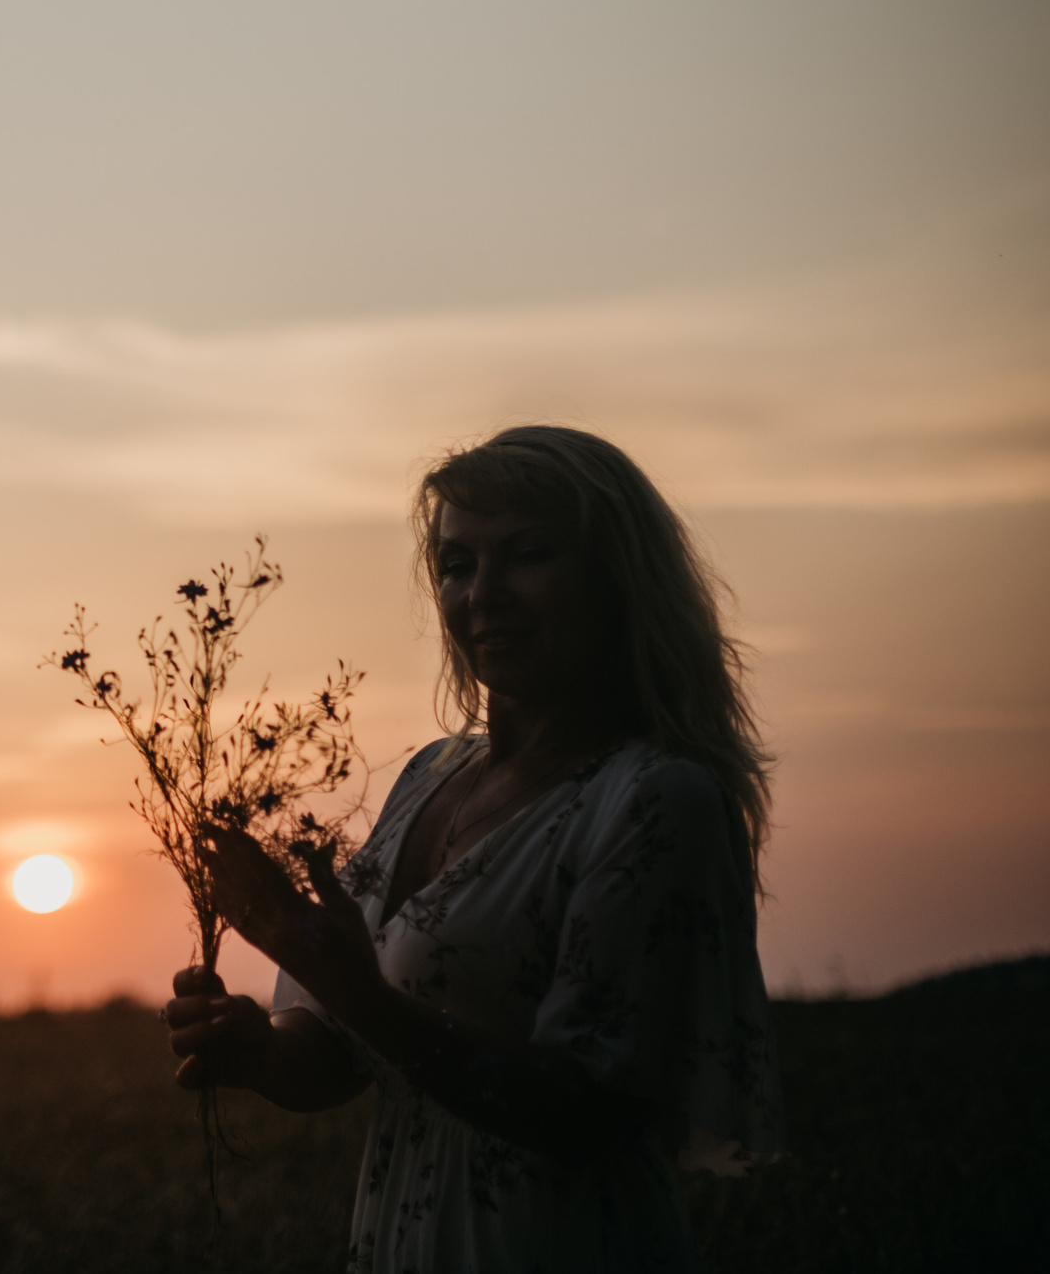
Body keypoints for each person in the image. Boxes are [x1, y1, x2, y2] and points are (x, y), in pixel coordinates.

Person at [165, 425, 783, 1272]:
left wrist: (352, 987)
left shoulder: (653, 799)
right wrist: (263, 1050)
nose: (481, 594)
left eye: (526, 555)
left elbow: (587, 1112)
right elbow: (344, 1059)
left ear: (617, 581)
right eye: (456, 565)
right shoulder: (429, 774)